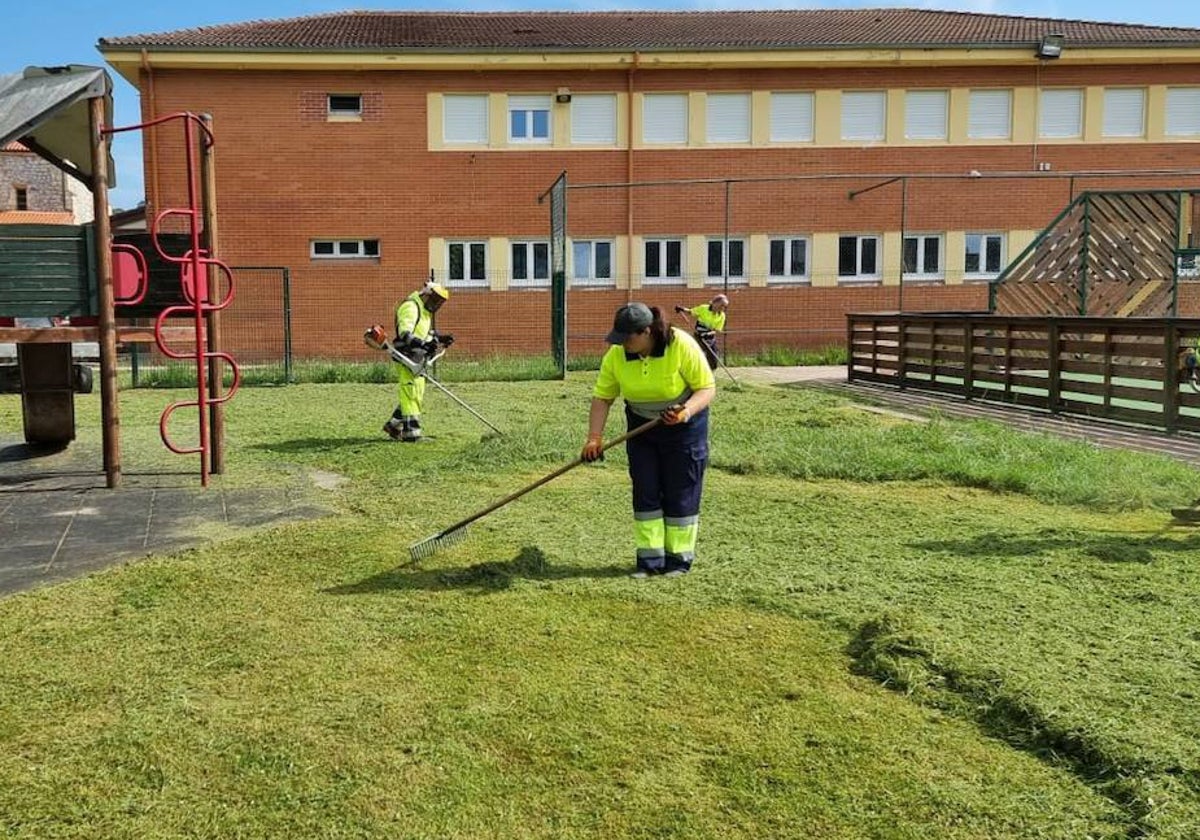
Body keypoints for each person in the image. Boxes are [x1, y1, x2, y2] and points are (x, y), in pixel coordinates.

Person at [582, 302, 716, 578]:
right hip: (642, 428)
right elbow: (603, 397)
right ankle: (649, 561)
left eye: (627, 338)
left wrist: (685, 412)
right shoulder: (617, 355)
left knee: (680, 490)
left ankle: (678, 560)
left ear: (647, 332)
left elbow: (706, 388)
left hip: (683, 426)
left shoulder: (681, 345)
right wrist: (594, 438)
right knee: (646, 490)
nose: (621, 344)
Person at [383, 281, 453, 442]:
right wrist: (423, 344)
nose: (435, 304)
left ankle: (393, 425)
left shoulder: (424, 311)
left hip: (418, 357)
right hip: (407, 356)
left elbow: (424, 334)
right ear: (426, 295)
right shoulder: (411, 306)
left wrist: (440, 338)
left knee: (416, 393)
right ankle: (411, 434)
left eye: (438, 302)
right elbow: (405, 334)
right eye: (434, 300)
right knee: (410, 394)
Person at [675, 294, 729, 370]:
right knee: (696, 355)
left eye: (725, 307)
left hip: (709, 339)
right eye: (721, 305)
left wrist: (707, 334)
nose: (723, 308)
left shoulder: (722, 315)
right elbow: (692, 312)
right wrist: (682, 309)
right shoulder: (704, 308)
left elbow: (717, 330)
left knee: (713, 361)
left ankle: (709, 373)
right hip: (698, 336)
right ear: (715, 303)